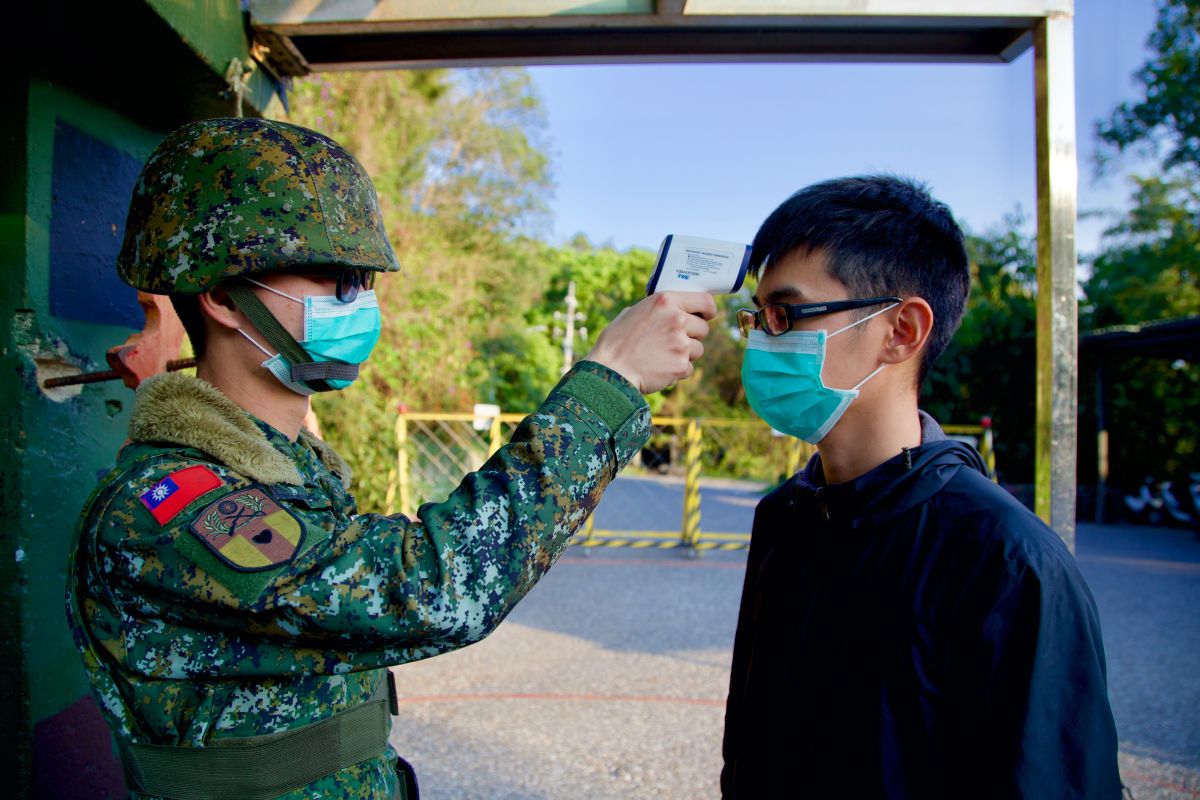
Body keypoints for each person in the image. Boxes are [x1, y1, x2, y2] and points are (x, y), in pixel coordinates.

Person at [65, 117, 716, 800]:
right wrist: (606, 383)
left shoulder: (285, 472)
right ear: (225, 297)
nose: (361, 301)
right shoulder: (162, 508)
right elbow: (435, 590)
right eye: (333, 277)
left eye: (365, 278)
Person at [722, 175, 1121, 799]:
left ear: (901, 330)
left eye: (785, 314)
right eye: (758, 317)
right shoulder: (786, 517)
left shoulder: (1008, 561)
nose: (760, 341)